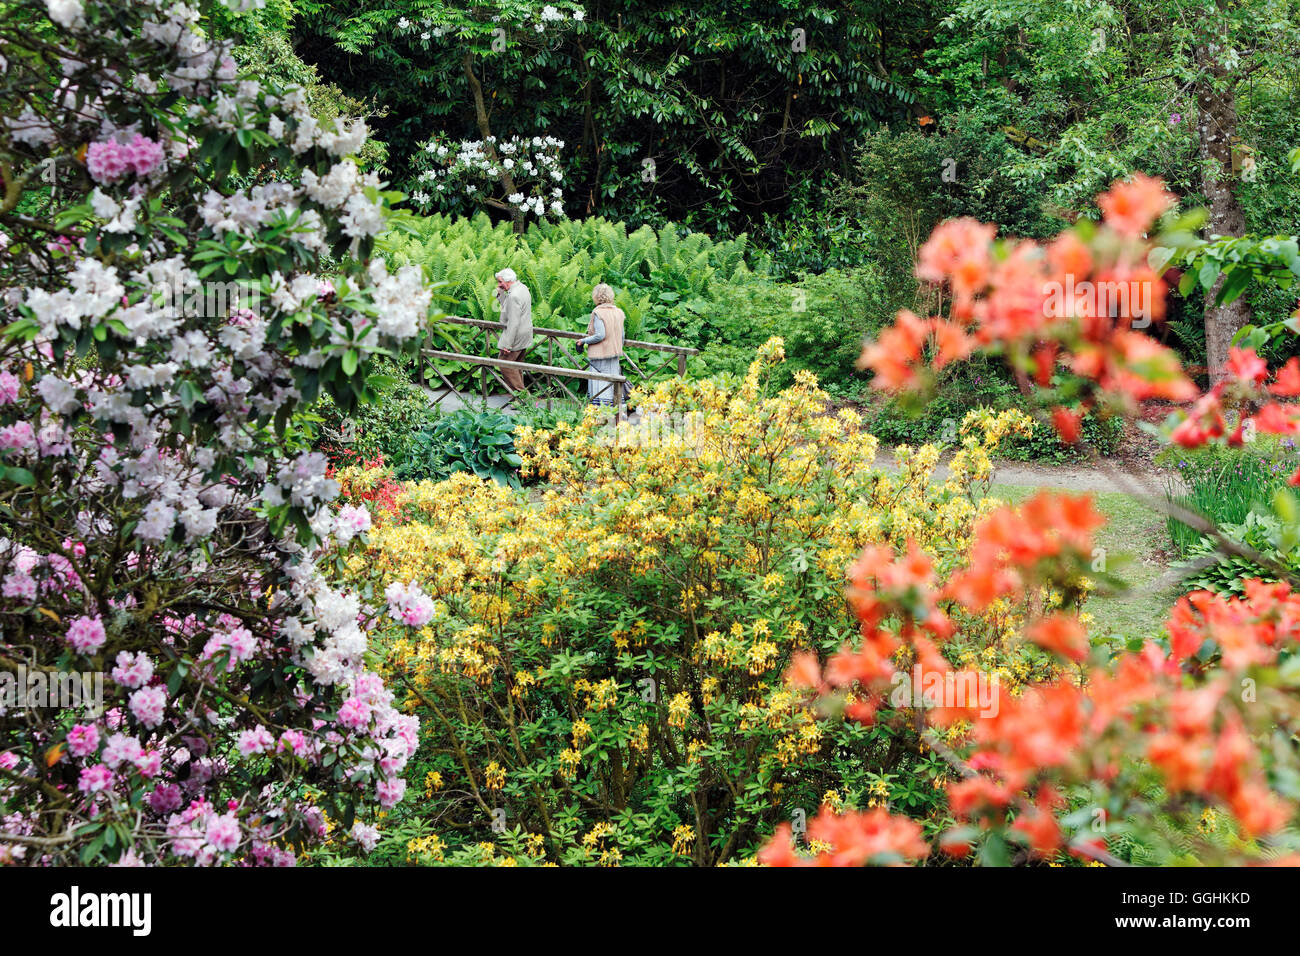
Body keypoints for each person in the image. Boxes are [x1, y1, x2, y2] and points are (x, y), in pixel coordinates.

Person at [577, 283, 628, 407]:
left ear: (596, 297)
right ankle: (615, 410)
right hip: (614, 353)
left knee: (600, 383)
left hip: (600, 355)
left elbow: (600, 335)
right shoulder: (619, 312)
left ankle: (600, 411)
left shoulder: (598, 312)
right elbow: (622, 336)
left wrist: (583, 341)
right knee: (613, 383)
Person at [494, 268, 532, 394]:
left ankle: (522, 396)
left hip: (516, 336)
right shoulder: (522, 288)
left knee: (504, 364)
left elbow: (513, 322)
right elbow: (511, 308)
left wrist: (507, 344)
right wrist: (501, 296)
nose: (499, 284)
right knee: (516, 365)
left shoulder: (514, 296)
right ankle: (519, 397)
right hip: (525, 334)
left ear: (508, 280)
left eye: (500, 282)